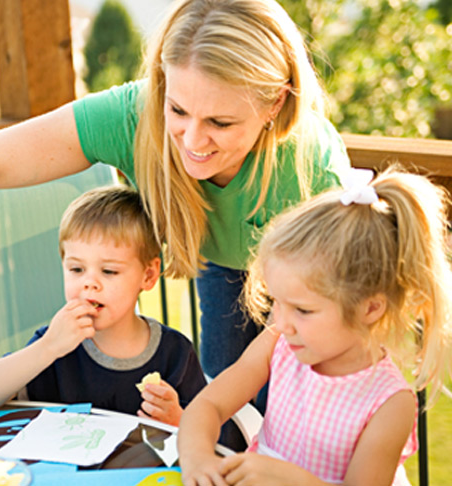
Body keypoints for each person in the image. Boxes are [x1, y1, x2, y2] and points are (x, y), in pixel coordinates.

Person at [0, 0, 350, 388]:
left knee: (293, 404)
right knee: (230, 402)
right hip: (221, 264)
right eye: (178, 111)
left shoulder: (310, 167)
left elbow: (342, 311)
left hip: (318, 283)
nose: (193, 143)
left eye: (220, 122)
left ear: (274, 104)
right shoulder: (133, 114)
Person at [177, 167, 452, 486]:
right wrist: (198, 458)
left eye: (303, 310)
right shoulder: (277, 342)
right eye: (276, 302)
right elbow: (208, 404)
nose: (280, 322)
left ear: (370, 308)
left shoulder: (390, 403)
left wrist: (290, 480)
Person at [0, 185, 206, 427]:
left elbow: (215, 436)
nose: (89, 283)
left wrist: (178, 420)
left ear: (147, 275)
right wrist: (48, 347)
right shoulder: (55, 344)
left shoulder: (174, 353)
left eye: (109, 271)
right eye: (76, 269)